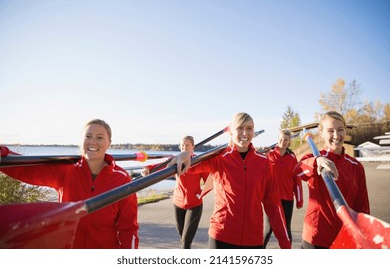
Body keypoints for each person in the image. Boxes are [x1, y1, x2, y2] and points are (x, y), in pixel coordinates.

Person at [0, 119, 139, 249]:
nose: (93, 142)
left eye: (100, 137)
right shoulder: (66, 171)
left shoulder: (122, 179)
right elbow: (27, 169)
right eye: (88, 136)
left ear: (109, 143)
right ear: (81, 141)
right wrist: (3, 152)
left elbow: (128, 229)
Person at [170, 112, 291, 249]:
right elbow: (190, 167)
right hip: (221, 236)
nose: (245, 133)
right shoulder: (219, 159)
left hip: (253, 240)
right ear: (231, 131)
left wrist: (285, 243)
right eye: (240, 128)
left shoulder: (264, 163)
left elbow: (274, 205)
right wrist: (187, 155)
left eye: (249, 128)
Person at [294, 111, 370, 249]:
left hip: (346, 237)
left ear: (345, 131)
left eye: (340, 130)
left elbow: (362, 206)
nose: (336, 135)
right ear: (321, 133)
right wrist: (317, 161)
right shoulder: (314, 158)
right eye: (330, 131)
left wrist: (362, 234)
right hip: (316, 237)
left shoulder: (356, 166)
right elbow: (298, 171)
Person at [142, 136, 209, 249]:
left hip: (194, 205)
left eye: (187, 145)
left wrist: (200, 194)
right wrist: (148, 168)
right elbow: (162, 166)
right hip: (177, 204)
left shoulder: (198, 161)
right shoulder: (176, 160)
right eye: (182, 145)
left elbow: (209, 181)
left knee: (185, 242)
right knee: (182, 240)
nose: (184, 148)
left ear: (193, 147)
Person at [263, 129, 303, 248]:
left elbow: (297, 179)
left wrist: (299, 199)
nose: (283, 141)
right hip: (271, 199)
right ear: (278, 138)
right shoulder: (268, 155)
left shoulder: (292, 157)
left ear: (289, 141)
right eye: (281, 138)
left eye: (286, 139)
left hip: (287, 198)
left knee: (286, 228)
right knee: (268, 229)